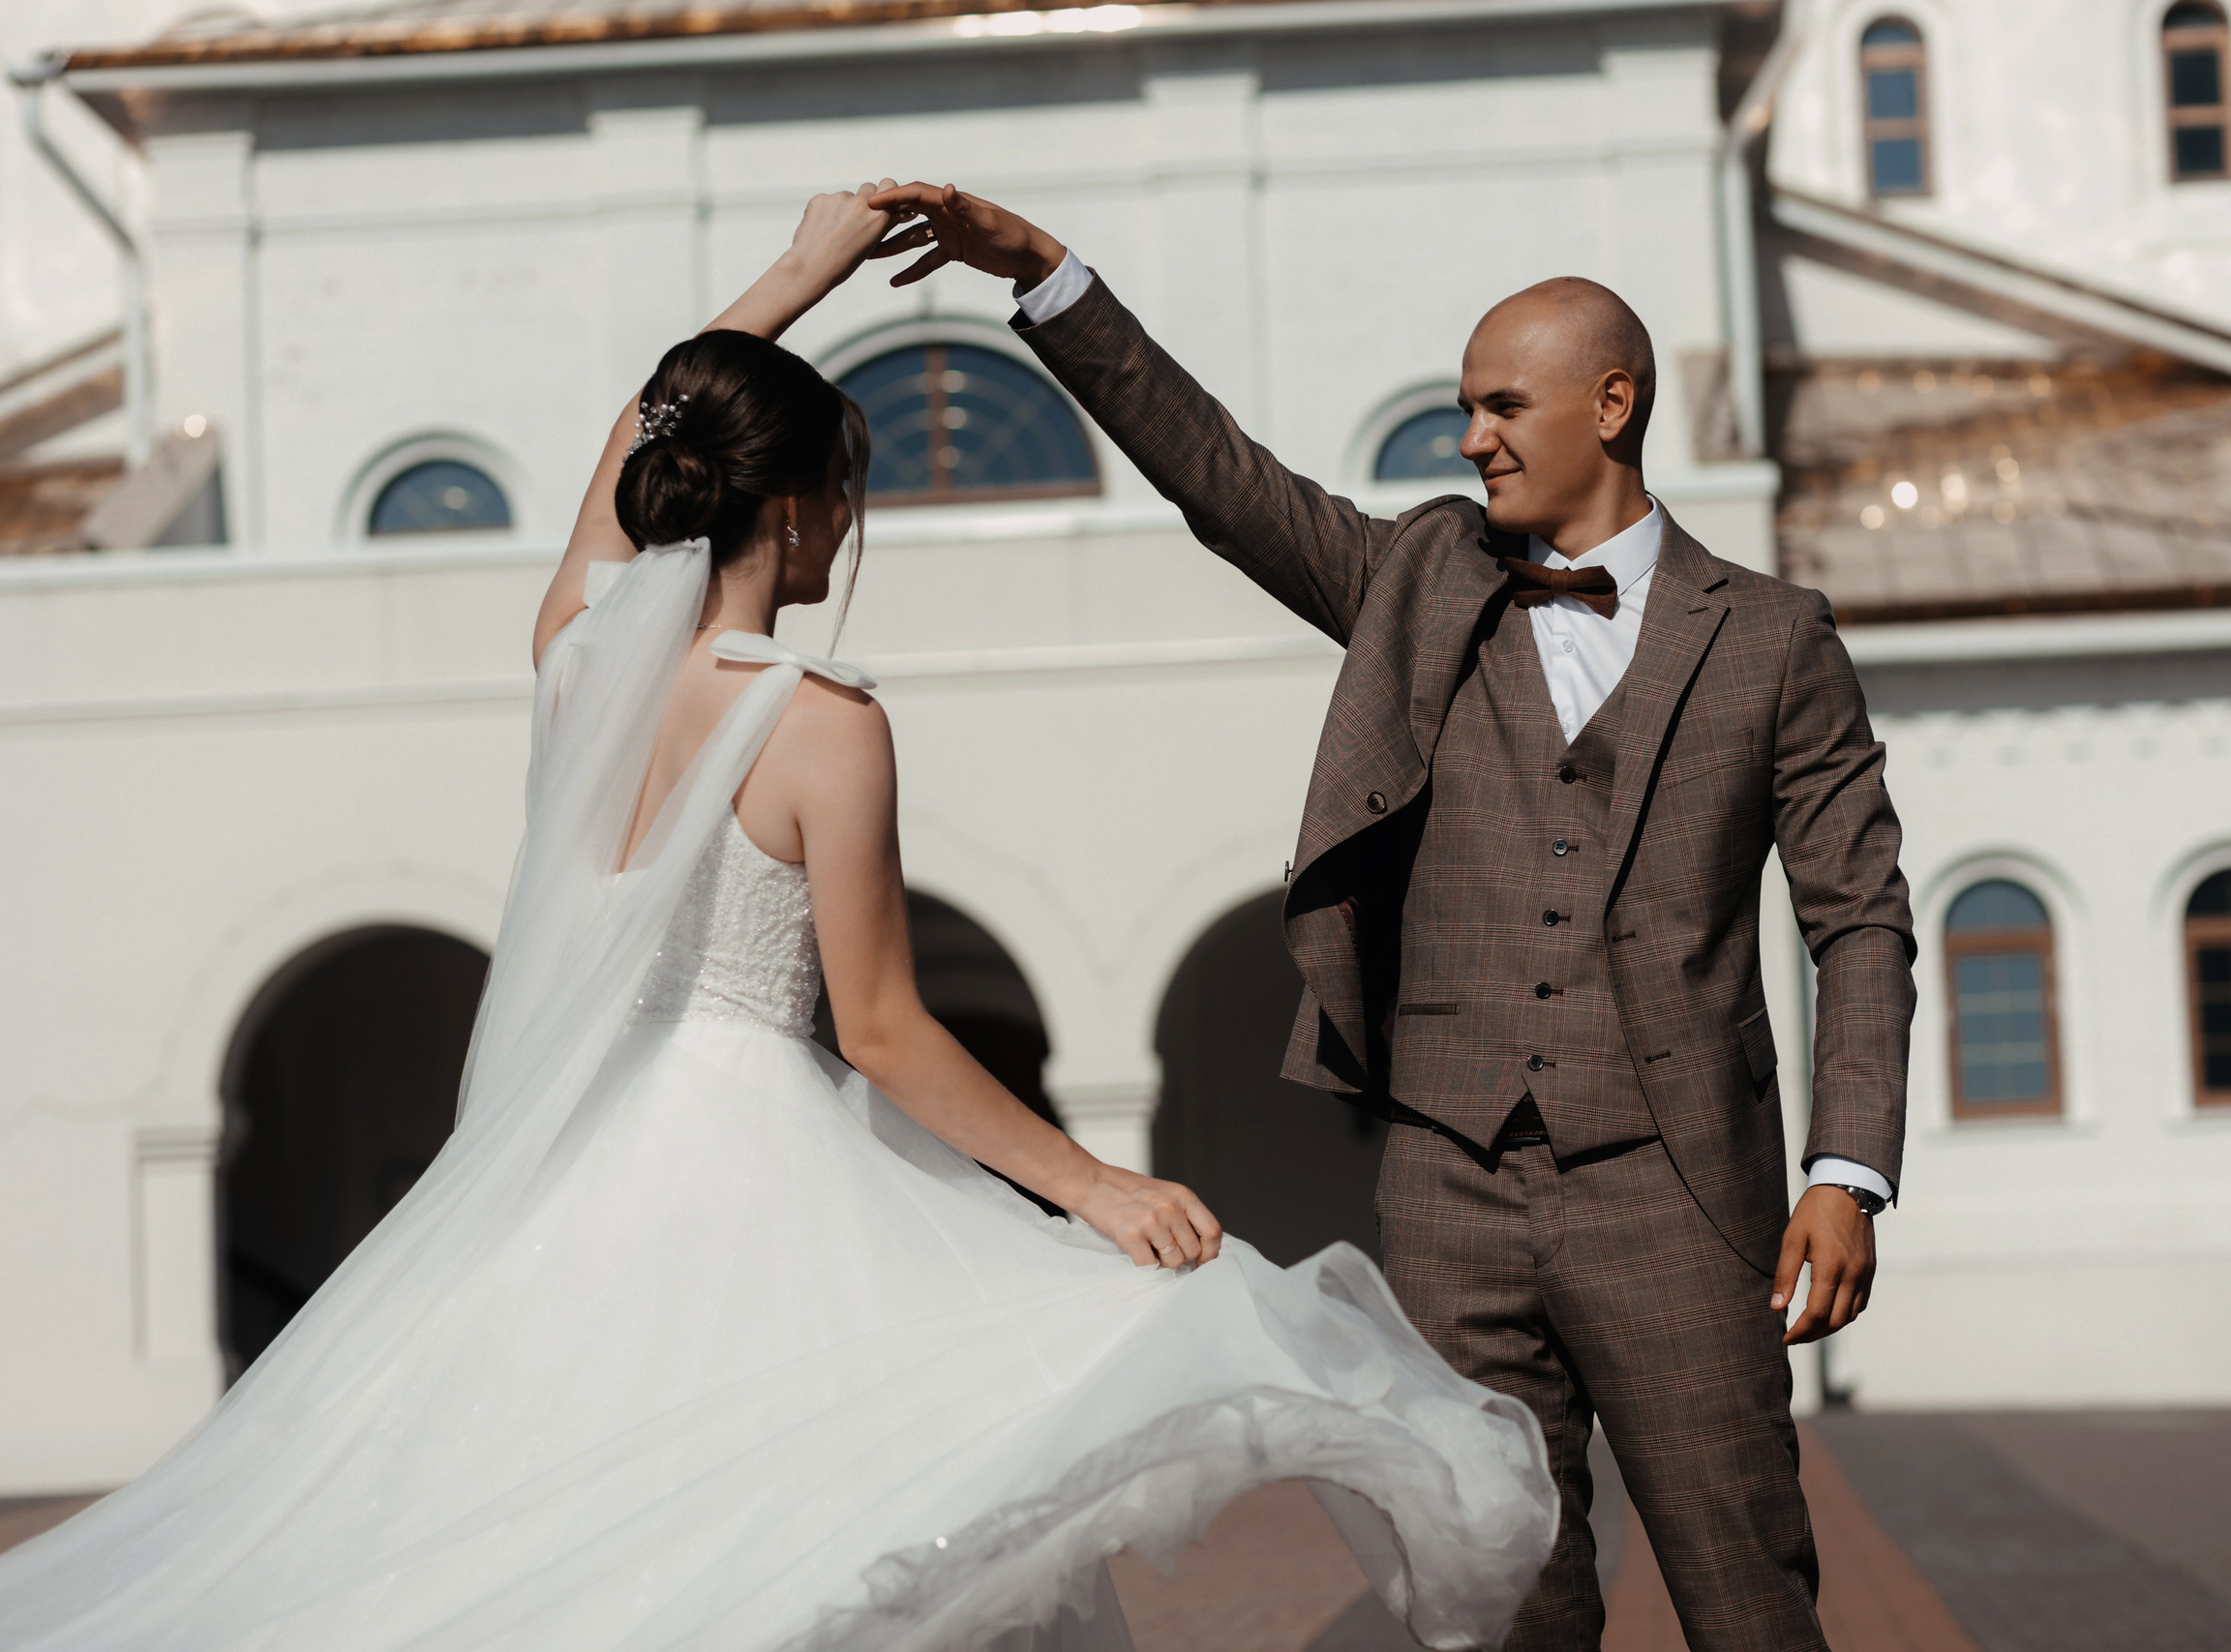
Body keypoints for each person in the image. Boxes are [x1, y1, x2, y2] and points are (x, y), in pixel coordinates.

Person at [0, 185, 1556, 1652]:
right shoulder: (819, 720)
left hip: (570, 1181)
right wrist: (1089, 1183)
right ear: (805, 508)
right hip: (759, 1173)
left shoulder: (578, 660)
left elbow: (630, 457)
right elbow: (881, 1028)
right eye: (847, 498)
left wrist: (797, 274)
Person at [868, 183, 1916, 1652]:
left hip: (1676, 1195)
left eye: (1501, 407)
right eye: (1462, 409)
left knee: (1747, 1594)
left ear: (1611, 405)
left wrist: (1847, 1168)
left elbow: (1858, 916)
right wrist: (1048, 277)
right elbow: (1224, 479)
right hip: (1450, 1194)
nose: (1471, 438)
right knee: (1497, 1601)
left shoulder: (1771, 639)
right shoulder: (1420, 578)